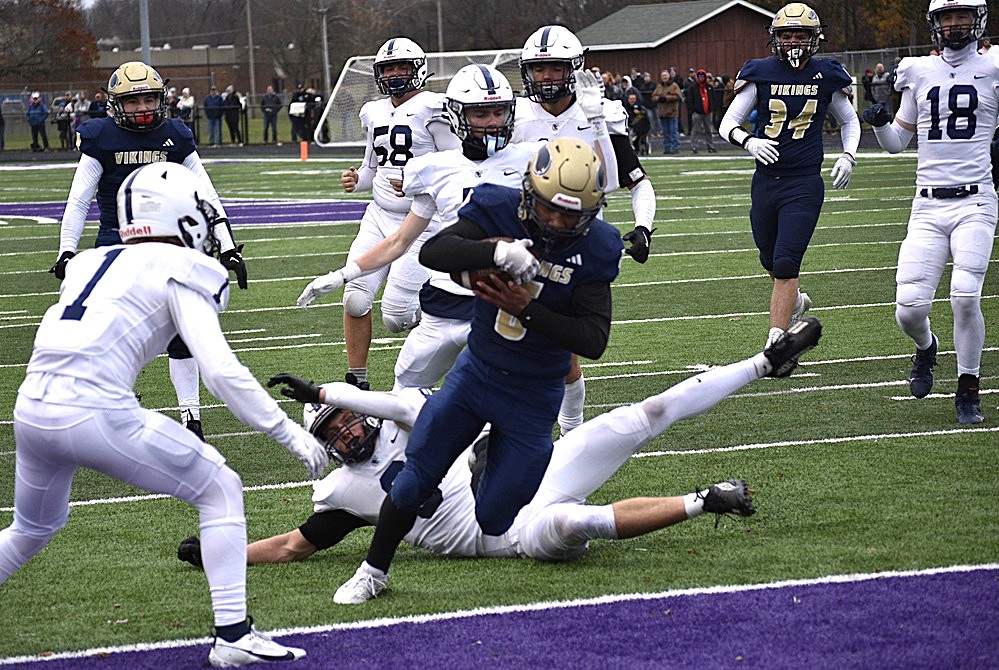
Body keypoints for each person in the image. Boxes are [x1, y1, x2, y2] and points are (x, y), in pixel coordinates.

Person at [177, 316, 823, 577]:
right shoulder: (341, 495)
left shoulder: (402, 417)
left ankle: (763, 362)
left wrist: (328, 391)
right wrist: (218, 551)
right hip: (512, 535)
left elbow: (399, 401)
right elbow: (292, 546)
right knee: (575, 524)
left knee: (637, 417)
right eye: (332, 433)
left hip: (524, 475)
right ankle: (704, 500)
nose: (345, 432)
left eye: (343, 419)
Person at [0, 163, 326, 666]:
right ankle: (234, 635)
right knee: (220, 487)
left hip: (32, 408)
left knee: (31, 529)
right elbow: (220, 371)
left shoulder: (91, 261)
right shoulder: (181, 267)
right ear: (182, 215)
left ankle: (236, 636)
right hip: (94, 410)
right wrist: (288, 433)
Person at [328, 138, 623, 604]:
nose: (558, 223)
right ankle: (372, 572)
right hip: (477, 373)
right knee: (413, 479)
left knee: (495, 518)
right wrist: (496, 253)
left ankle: (485, 454)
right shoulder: (498, 206)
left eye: (572, 215)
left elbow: (593, 340)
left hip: (534, 393)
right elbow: (435, 253)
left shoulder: (599, 245)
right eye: (549, 210)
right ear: (528, 193)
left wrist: (527, 308)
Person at [297, 64, 613, 392]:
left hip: (508, 298)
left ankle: (571, 430)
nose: (492, 122)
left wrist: (598, 125)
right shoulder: (433, 168)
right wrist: (341, 276)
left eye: (498, 112)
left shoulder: (534, 159)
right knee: (405, 388)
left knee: (550, 372)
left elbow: (605, 182)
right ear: (456, 115)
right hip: (446, 302)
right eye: (481, 114)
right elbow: (400, 241)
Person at [48, 61, 248, 439]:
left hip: (170, 245)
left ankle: (192, 418)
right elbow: (78, 201)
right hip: (116, 244)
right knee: (103, 332)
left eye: (149, 98)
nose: (142, 107)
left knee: (182, 332)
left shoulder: (175, 135)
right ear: (115, 104)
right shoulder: (100, 137)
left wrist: (227, 246)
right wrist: (67, 251)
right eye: (134, 100)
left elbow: (206, 194)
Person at [512, 24, 658, 434]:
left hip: (579, 238)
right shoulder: (514, 115)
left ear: (573, 68)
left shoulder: (601, 111)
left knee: (564, 346)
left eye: (554, 68)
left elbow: (620, 180)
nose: (545, 78)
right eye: (537, 70)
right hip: (524, 235)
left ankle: (571, 427)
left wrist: (643, 226)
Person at [297, 37, 461, 391]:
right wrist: (357, 179)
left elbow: (456, 164)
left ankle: (447, 318)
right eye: (388, 68)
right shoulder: (373, 110)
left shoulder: (435, 107)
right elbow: (373, 166)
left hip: (421, 221)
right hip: (379, 214)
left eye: (402, 67)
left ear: (417, 68)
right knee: (356, 299)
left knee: (396, 317)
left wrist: (421, 182)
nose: (395, 74)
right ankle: (358, 381)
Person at [860, 0, 993, 424]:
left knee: (965, 295)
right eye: (946, 17)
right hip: (927, 204)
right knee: (909, 309)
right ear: (934, 24)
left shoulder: (993, 66)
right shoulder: (916, 70)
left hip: (975, 201)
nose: (954, 25)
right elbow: (898, 142)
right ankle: (926, 347)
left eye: (961, 16)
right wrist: (881, 124)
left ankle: (968, 389)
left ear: (978, 19)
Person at [718, 3, 860, 349]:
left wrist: (849, 155)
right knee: (768, 257)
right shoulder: (761, 72)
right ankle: (794, 301)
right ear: (775, 39)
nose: (793, 42)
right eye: (787, 35)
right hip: (766, 181)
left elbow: (850, 121)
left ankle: (776, 343)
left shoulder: (827, 73)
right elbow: (727, 124)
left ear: (814, 39)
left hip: (804, 181)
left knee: (784, 262)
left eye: (801, 35)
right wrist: (750, 142)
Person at [684, 69, 717, 153]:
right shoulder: (692, 87)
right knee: (695, 130)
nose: (701, 78)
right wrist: (692, 110)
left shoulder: (709, 87)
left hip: (708, 112)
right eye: (700, 76)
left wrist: (712, 108)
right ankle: (693, 147)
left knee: (709, 130)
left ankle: (711, 146)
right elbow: (689, 99)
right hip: (697, 112)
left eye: (703, 76)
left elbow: (713, 98)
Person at [653, 70, 682, 153]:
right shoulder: (659, 87)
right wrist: (659, 98)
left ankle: (675, 148)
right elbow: (653, 96)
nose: (664, 77)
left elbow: (677, 96)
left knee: (673, 132)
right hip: (662, 113)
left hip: (672, 112)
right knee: (666, 133)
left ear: (669, 76)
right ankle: (667, 148)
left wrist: (666, 98)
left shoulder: (674, 86)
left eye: (665, 76)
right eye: (663, 76)